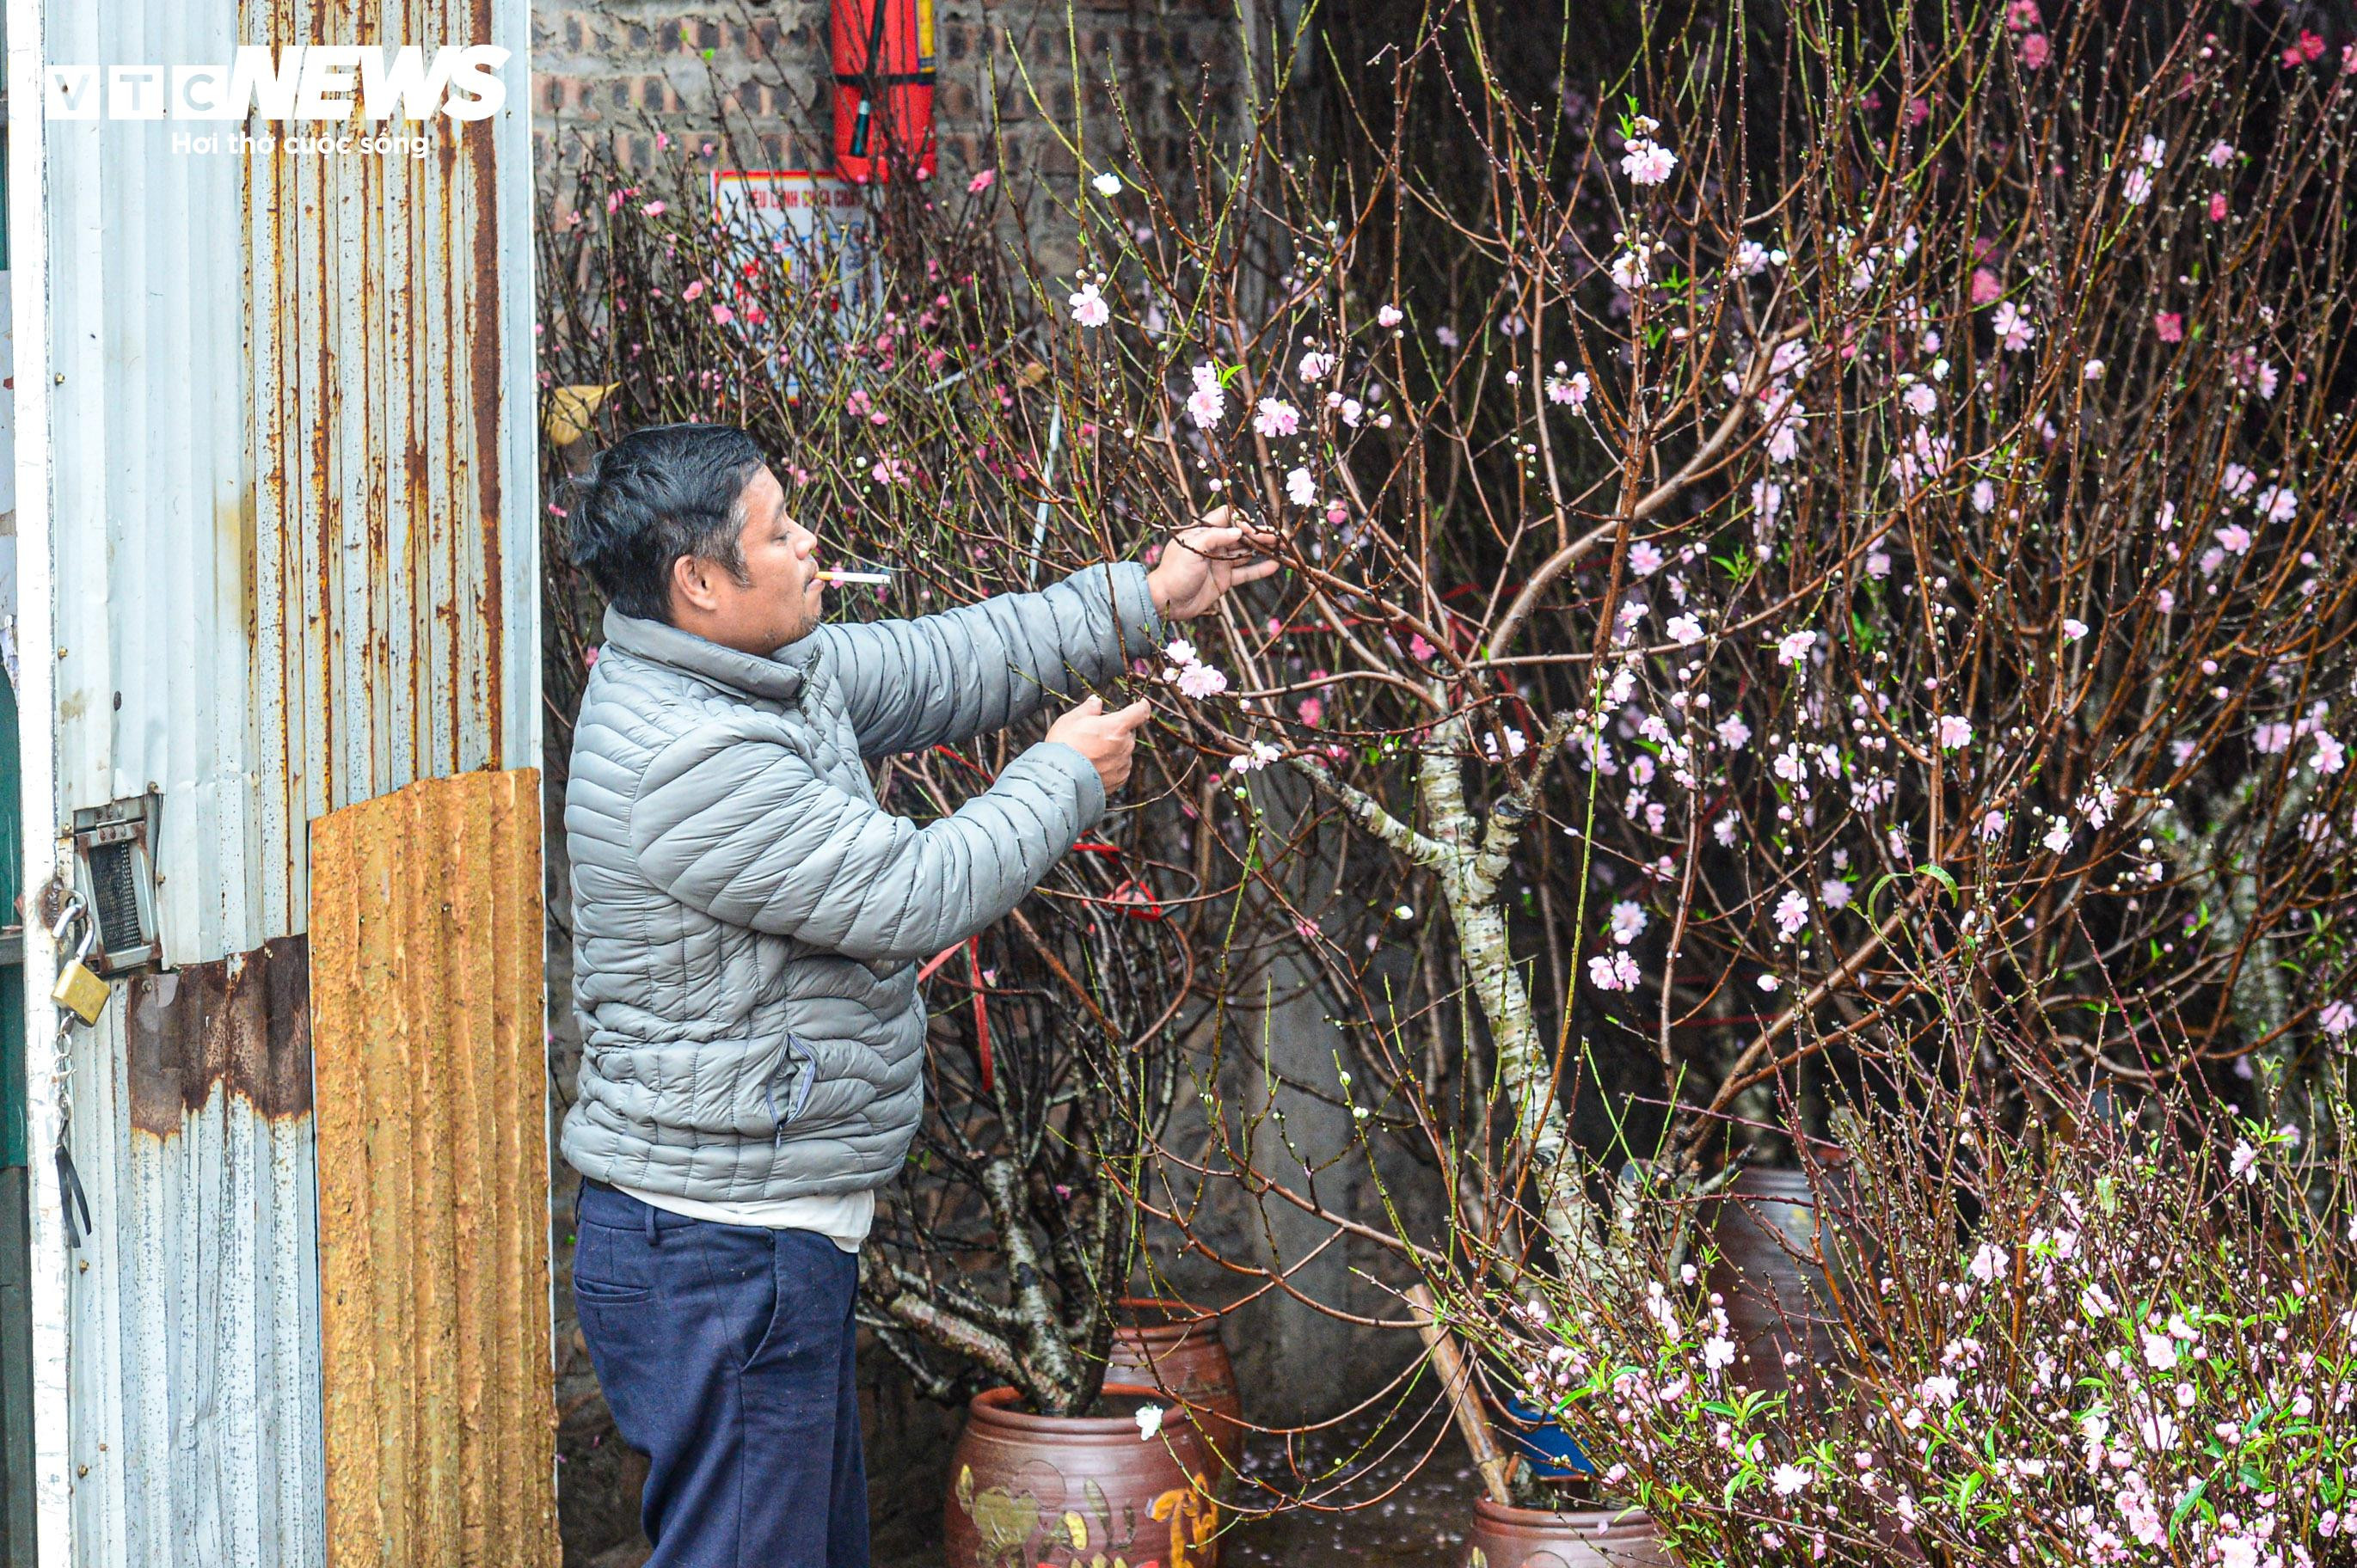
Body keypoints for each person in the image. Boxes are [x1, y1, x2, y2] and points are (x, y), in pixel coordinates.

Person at [557, 422, 1274, 1567]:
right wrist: (1060, 778)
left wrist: (1149, 593)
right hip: (717, 1254)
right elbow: (912, 892)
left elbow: (957, 658)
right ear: (697, 581)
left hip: (746, 1241)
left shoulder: (764, 675)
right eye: (778, 531)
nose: (809, 544)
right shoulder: (692, 760)